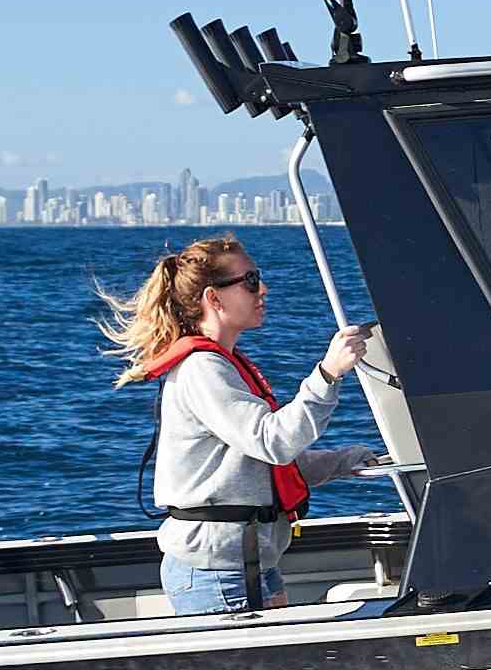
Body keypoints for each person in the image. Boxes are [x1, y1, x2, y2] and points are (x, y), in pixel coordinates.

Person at [106, 236, 380, 615]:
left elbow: (259, 465)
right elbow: (273, 442)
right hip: (218, 570)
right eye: (250, 281)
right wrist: (328, 374)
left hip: (249, 561)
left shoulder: (224, 364)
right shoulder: (204, 370)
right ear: (214, 299)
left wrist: (345, 462)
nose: (262, 289)